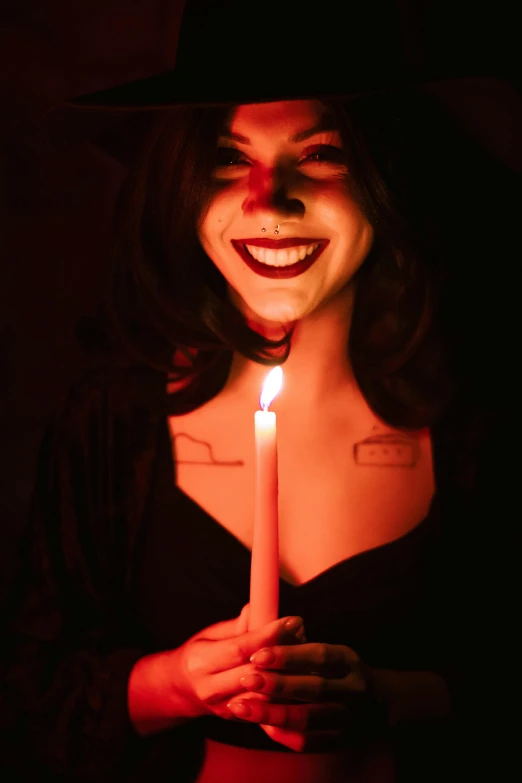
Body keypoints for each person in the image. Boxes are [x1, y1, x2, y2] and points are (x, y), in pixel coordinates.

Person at [1, 1, 520, 781]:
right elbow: (25, 699)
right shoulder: (113, 424)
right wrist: (169, 684)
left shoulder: (481, 419)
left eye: (320, 155)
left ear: (385, 177)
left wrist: (400, 695)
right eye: (224, 158)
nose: (267, 200)